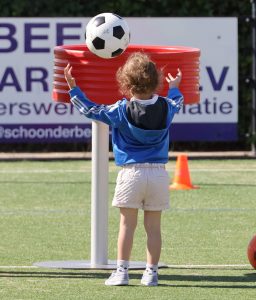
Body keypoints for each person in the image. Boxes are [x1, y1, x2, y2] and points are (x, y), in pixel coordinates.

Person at [64, 52, 183, 286]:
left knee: (127, 226)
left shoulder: (120, 110)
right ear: (156, 81)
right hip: (158, 174)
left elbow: (91, 110)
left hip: (131, 174)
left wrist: (73, 89)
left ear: (126, 84)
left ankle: (122, 272)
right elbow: (177, 101)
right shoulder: (167, 108)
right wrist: (175, 87)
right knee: (154, 228)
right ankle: (151, 274)